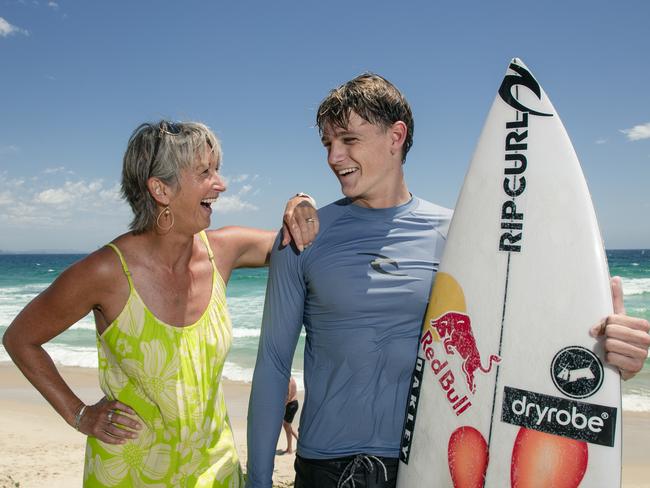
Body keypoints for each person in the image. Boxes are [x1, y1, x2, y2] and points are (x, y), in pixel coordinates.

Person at [245, 74, 650, 488]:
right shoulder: (303, 237)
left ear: (396, 136)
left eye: (348, 140)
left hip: (426, 465)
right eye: (327, 144)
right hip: (324, 468)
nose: (334, 156)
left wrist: (608, 353)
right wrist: (258, 480)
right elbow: (274, 365)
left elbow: (518, 342)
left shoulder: (459, 239)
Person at [2, 121, 317, 487]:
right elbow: (20, 339)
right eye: (205, 172)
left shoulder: (223, 251)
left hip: (216, 471)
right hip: (128, 475)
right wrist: (80, 415)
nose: (221, 183)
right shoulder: (107, 271)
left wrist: (300, 200)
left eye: (217, 169)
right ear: (160, 189)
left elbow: (299, 239)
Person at [280, 376, 299, 455]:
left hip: (291, 404)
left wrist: (282, 406)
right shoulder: (292, 378)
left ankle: (289, 449)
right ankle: (299, 441)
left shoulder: (288, 379)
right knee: (288, 426)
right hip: (293, 404)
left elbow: (288, 396)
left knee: (286, 426)